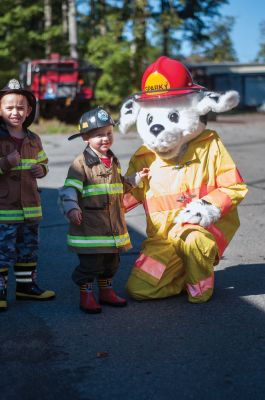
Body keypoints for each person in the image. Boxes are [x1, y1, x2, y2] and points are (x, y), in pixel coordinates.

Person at [59, 106, 149, 314]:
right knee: (91, 265)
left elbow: (120, 185)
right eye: (98, 135)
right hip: (90, 230)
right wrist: (72, 207)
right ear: (85, 138)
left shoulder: (113, 160)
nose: (105, 138)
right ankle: (86, 294)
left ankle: (106, 292)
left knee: (112, 264)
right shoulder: (81, 163)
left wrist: (136, 179)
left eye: (108, 133)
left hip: (112, 230)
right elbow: (70, 188)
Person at [0, 79, 55, 311]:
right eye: (9, 107)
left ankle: (26, 288)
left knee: (28, 250)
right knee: (3, 252)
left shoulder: (34, 138)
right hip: (4, 210)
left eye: (21, 107)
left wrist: (42, 169)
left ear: (29, 111)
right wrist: (5, 163)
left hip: (31, 209)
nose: (16, 112)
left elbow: (43, 161)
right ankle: (0, 291)